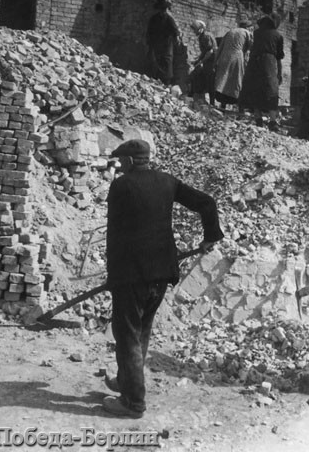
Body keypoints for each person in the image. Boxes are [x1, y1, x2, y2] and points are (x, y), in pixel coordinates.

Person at [103, 139, 223, 418]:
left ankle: (133, 403)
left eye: (121, 161)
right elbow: (207, 203)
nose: (119, 166)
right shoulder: (167, 181)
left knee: (127, 335)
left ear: (129, 161)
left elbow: (115, 234)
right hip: (162, 271)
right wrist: (210, 236)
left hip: (132, 273)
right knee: (141, 331)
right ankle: (126, 381)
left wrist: (114, 276)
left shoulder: (121, 186)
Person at [238, 14, 284, 130]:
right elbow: (279, 57)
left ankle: (258, 119)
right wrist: (279, 73)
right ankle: (272, 121)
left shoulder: (256, 33)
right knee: (271, 89)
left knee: (255, 89)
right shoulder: (278, 35)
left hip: (254, 62)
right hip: (269, 63)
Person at [214, 22, 252, 109]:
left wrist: (215, 61)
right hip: (236, 57)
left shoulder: (230, 32)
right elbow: (250, 47)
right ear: (248, 27)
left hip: (224, 57)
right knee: (236, 81)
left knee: (223, 81)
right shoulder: (247, 33)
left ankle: (223, 104)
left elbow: (220, 47)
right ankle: (239, 107)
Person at [146, 0, 181, 85]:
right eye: (162, 8)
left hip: (166, 45)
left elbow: (175, 31)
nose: (163, 10)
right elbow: (149, 31)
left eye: (165, 9)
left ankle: (166, 83)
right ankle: (156, 81)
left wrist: (177, 38)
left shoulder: (169, 19)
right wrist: (150, 43)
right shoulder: (154, 19)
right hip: (156, 44)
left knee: (166, 63)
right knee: (156, 61)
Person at [188, 20, 217, 106]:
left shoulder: (206, 36)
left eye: (195, 29)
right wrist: (197, 59)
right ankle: (192, 97)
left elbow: (210, 52)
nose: (194, 32)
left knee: (210, 82)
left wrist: (201, 61)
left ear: (201, 29)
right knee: (198, 77)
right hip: (207, 62)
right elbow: (204, 52)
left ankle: (212, 104)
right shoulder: (201, 36)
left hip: (212, 62)